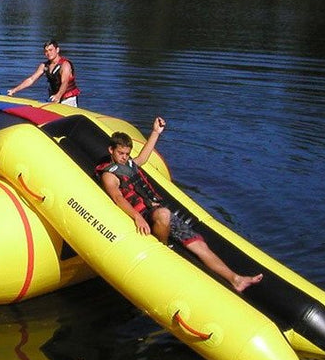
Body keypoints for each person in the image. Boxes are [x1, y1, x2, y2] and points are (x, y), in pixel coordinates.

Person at [96, 117, 262, 293]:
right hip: (145, 214)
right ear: (111, 150)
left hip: (158, 210)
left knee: (199, 245)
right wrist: (137, 217)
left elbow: (143, 157)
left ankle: (236, 279)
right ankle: (164, 249)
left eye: (127, 153)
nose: (124, 157)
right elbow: (118, 197)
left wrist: (155, 132)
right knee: (163, 214)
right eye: (121, 153)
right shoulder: (109, 175)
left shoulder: (130, 164)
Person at [7, 39, 80, 105]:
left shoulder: (65, 65)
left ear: (57, 50)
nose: (48, 53)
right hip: (53, 97)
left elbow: (65, 82)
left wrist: (58, 95)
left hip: (67, 99)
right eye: (46, 51)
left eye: (50, 50)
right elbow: (31, 79)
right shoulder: (44, 66)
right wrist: (14, 90)